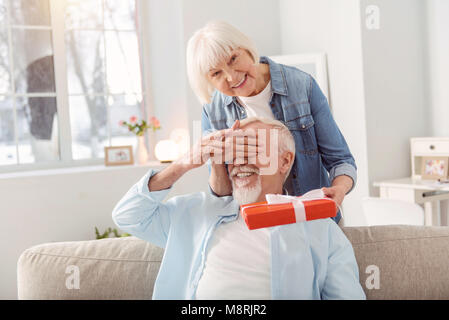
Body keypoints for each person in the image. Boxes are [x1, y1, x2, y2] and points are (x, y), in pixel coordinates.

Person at [112, 117, 366, 300]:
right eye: (234, 151)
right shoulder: (195, 212)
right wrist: (183, 164)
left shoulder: (318, 228)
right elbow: (128, 216)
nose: (239, 162)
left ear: (285, 160)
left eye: (252, 149)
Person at [186, 21, 357, 224]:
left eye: (233, 59)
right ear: (208, 81)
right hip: (253, 229)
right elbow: (222, 194)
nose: (231, 77)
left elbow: (341, 161)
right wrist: (215, 161)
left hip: (313, 221)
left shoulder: (302, 86)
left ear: (247, 50)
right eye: (216, 73)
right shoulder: (213, 111)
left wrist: (339, 189)